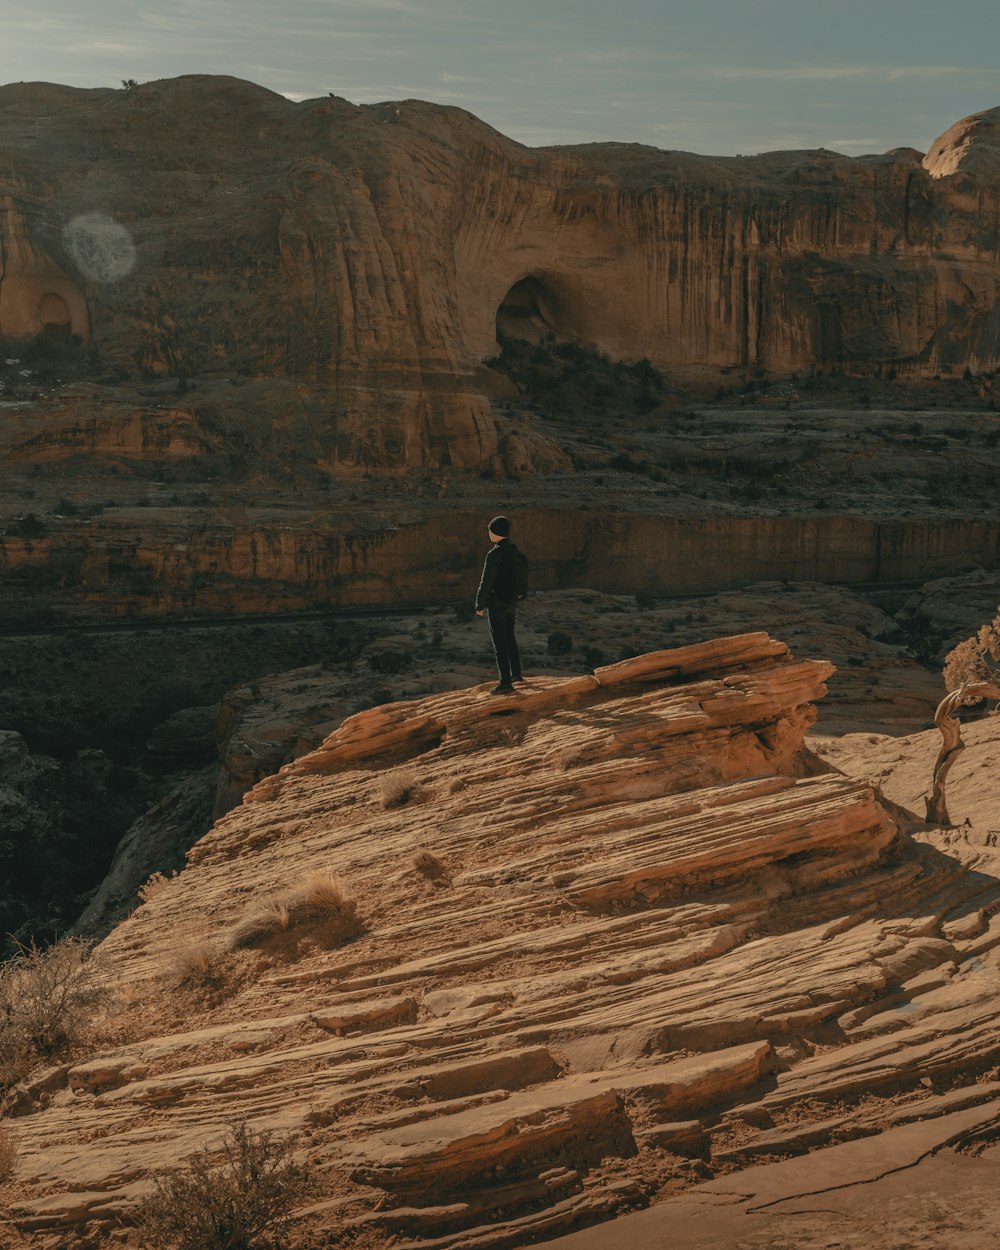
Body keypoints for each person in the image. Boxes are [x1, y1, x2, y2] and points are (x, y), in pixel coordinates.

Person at [475, 515, 524, 695]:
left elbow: (486, 582)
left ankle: (505, 683)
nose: (488, 533)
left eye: (489, 530)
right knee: (510, 637)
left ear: (495, 532)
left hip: (497, 603)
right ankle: (516, 674)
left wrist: (479, 604)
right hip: (512, 600)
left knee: (499, 642)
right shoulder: (514, 549)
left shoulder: (494, 554)